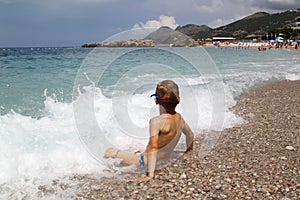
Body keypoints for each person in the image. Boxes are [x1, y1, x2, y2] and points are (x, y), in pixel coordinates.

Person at [104, 80, 194, 181]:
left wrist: (149, 175)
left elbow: (154, 148)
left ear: (156, 100)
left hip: (142, 162)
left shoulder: (156, 121)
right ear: (178, 100)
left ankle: (92, 168)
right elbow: (190, 135)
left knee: (109, 151)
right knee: (132, 147)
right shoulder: (179, 118)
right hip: (162, 158)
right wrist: (189, 151)